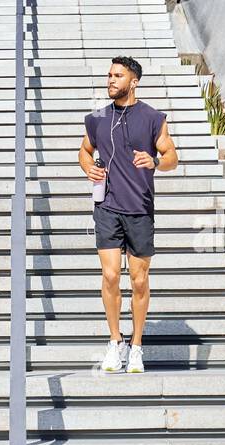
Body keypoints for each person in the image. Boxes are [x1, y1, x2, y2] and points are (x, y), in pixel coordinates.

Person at [79, 56, 179, 373]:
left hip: (139, 208)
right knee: (110, 275)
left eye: (117, 76)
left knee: (139, 280)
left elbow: (172, 156)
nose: (110, 80)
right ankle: (114, 343)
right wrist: (89, 170)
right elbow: (84, 150)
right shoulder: (97, 117)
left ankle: (136, 346)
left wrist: (155, 162)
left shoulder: (152, 117)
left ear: (133, 81)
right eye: (109, 75)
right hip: (107, 206)